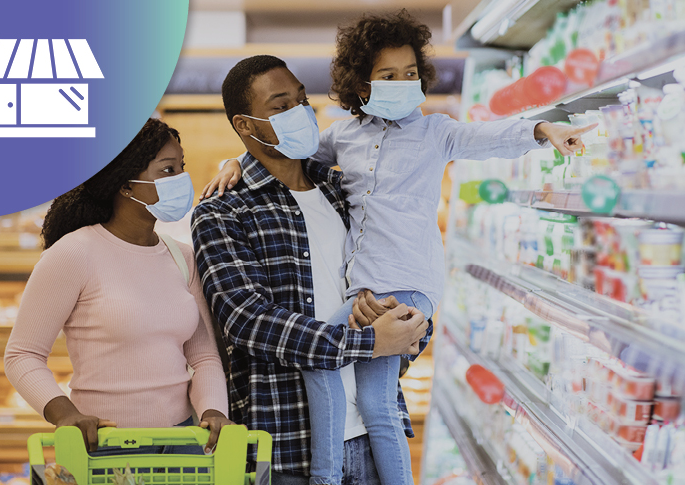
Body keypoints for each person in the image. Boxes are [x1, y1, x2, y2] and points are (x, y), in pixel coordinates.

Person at [201, 10, 597, 485]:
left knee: (377, 403)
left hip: (398, 323)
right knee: (336, 382)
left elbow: (484, 136)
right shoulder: (314, 164)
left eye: (410, 74)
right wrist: (234, 161)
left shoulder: (401, 150)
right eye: (387, 76)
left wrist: (540, 130)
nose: (402, 83)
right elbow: (248, 317)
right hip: (294, 433)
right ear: (362, 85)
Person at [192, 55, 430, 485]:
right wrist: (370, 344)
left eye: (302, 100)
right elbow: (249, 322)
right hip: (290, 447)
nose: (300, 113)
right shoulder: (223, 212)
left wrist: (410, 330)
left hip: (376, 438)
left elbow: (393, 270)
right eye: (280, 106)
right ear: (245, 125)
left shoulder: (342, 188)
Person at [4, 118, 232, 455]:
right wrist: (65, 413)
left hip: (182, 443)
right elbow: (22, 355)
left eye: (181, 168)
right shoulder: (73, 253)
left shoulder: (182, 257)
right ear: (125, 185)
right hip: (104, 445)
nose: (181, 180)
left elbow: (203, 357)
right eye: (168, 170)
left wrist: (214, 410)